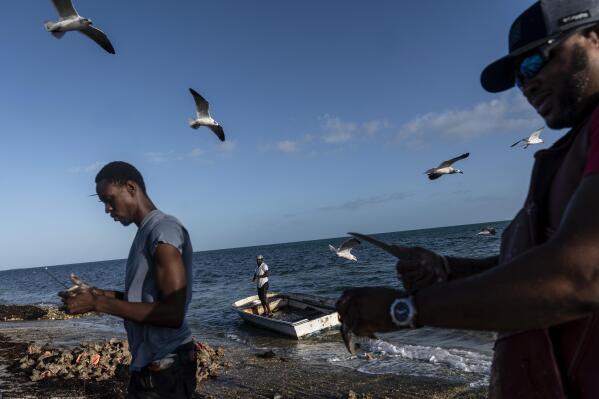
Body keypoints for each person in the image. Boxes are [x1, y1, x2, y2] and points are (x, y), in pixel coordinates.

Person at [336, 1, 599, 397]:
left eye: (534, 63)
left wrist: (404, 310)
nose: (526, 85)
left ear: (594, 39)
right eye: (517, 77)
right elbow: (531, 264)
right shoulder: (575, 148)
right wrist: (448, 268)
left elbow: (580, 277)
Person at [60, 161, 196, 399]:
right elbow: (146, 300)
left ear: (132, 188)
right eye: (103, 202)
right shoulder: (145, 233)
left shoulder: (163, 230)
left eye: (109, 199)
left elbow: (173, 314)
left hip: (167, 367)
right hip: (153, 364)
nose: (107, 209)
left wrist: (97, 304)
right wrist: (98, 294)